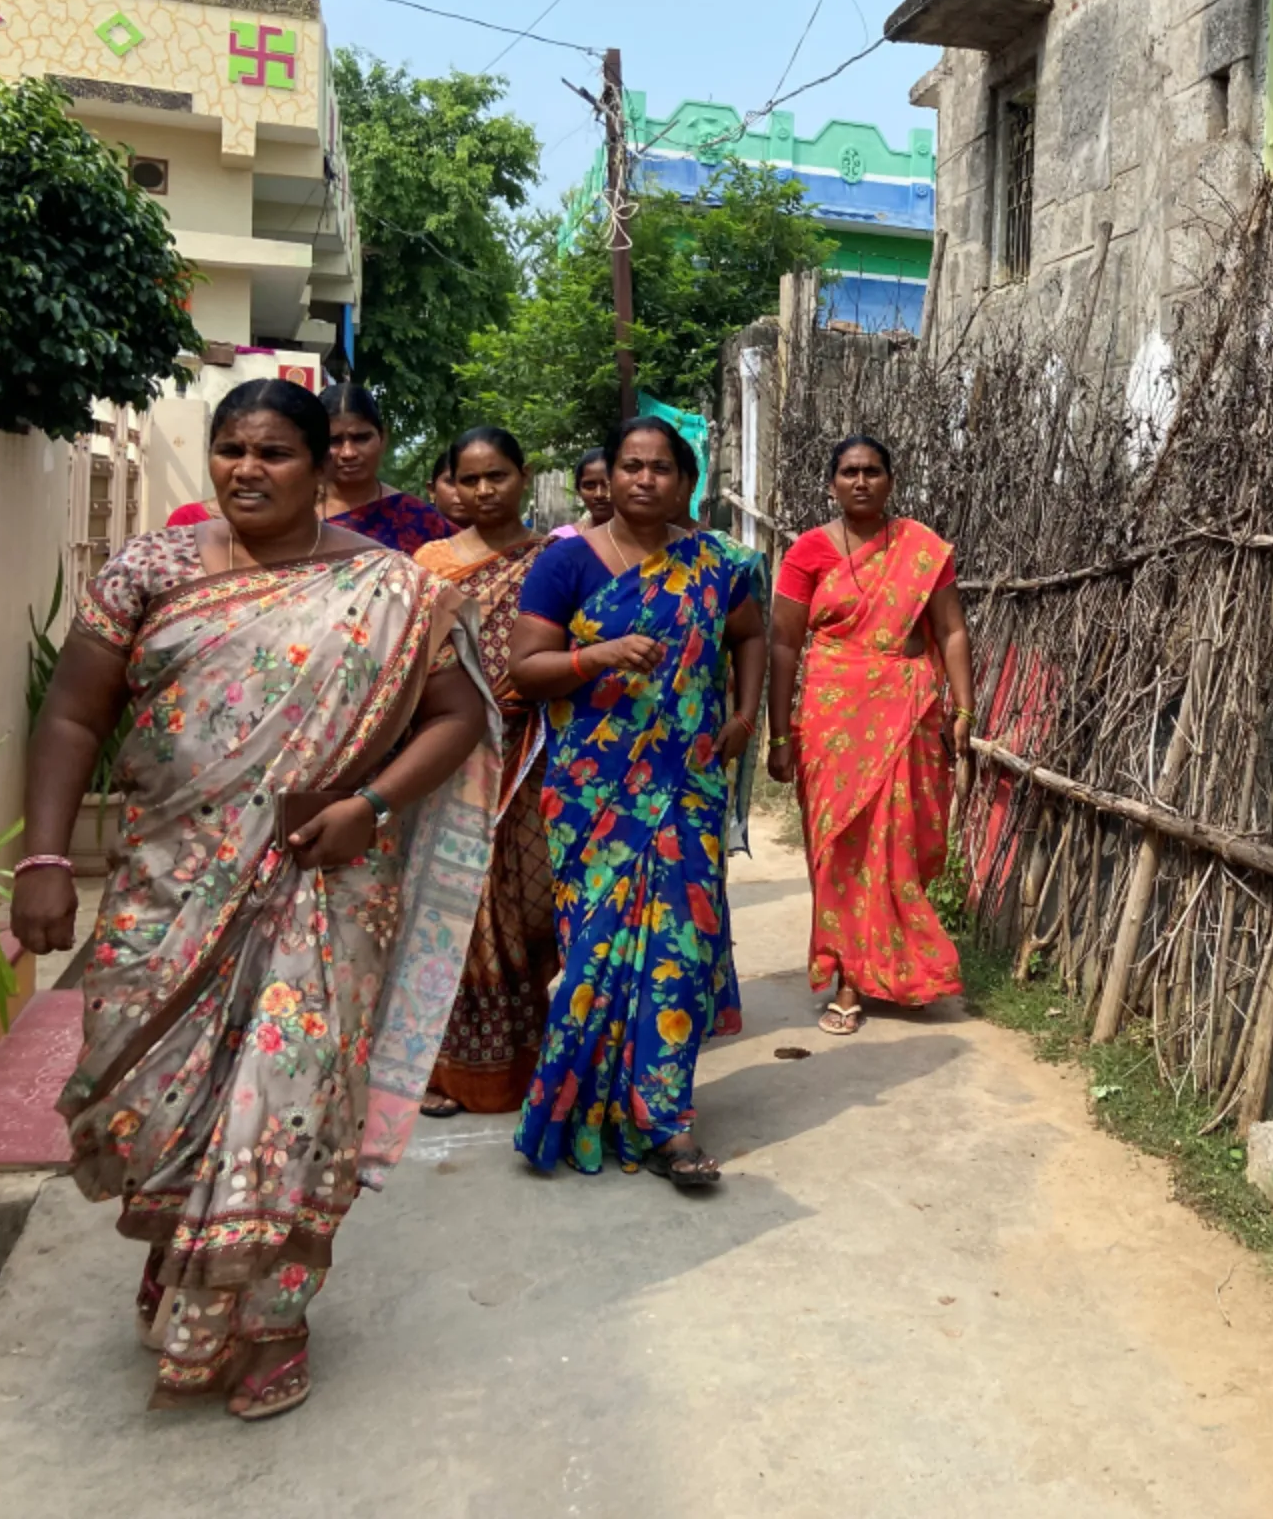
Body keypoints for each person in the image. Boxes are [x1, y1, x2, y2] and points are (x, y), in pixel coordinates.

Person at [12, 378, 499, 1420]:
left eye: (274, 452)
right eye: (230, 449)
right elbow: (68, 716)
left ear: (326, 466)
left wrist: (372, 802)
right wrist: (44, 860)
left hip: (325, 886)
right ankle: (190, 1247)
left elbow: (459, 716)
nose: (245, 469)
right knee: (153, 1092)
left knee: (293, 1099)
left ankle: (273, 1311)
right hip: (166, 889)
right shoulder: (154, 568)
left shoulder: (396, 590)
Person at [509, 417, 764, 1186]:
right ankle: (577, 1105)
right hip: (592, 795)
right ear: (610, 477)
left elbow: (748, 636)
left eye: (661, 468)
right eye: (630, 466)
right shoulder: (565, 565)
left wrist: (745, 714)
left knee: (677, 954)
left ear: (686, 482)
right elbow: (527, 669)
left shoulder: (720, 564)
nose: (644, 479)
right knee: (595, 952)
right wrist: (599, 655)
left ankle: (666, 1121)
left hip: (687, 788)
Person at [767, 436, 973, 1035]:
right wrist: (780, 736)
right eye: (849, 472)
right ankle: (847, 978)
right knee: (836, 846)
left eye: (873, 471)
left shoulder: (923, 548)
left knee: (897, 844)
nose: (861, 481)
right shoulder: (807, 552)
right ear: (831, 482)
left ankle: (892, 967)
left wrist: (964, 711)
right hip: (832, 717)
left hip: (906, 711)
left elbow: (952, 631)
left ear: (890, 480)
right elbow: (783, 642)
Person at [413, 427, 559, 1117]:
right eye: (468, 479)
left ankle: (532, 1053)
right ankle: (450, 1067)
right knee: (460, 906)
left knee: (528, 901)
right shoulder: (431, 563)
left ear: (522, 476)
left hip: (531, 749)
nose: (482, 491)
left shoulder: (553, 560)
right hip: (452, 751)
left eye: (495, 476)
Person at [320, 383, 454, 552]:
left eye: (361, 438)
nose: (348, 453)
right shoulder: (294, 513)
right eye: (334, 441)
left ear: (382, 438)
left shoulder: (417, 518)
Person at [550, 446, 613, 538]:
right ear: (578, 491)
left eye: (607, 485)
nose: (599, 494)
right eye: (589, 486)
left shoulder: (639, 539)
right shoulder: (562, 539)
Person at [429, 449, 472, 530]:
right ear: (432, 489)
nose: (461, 492)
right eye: (451, 482)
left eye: (470, 482)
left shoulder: (498, 535)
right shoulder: (411, 530)